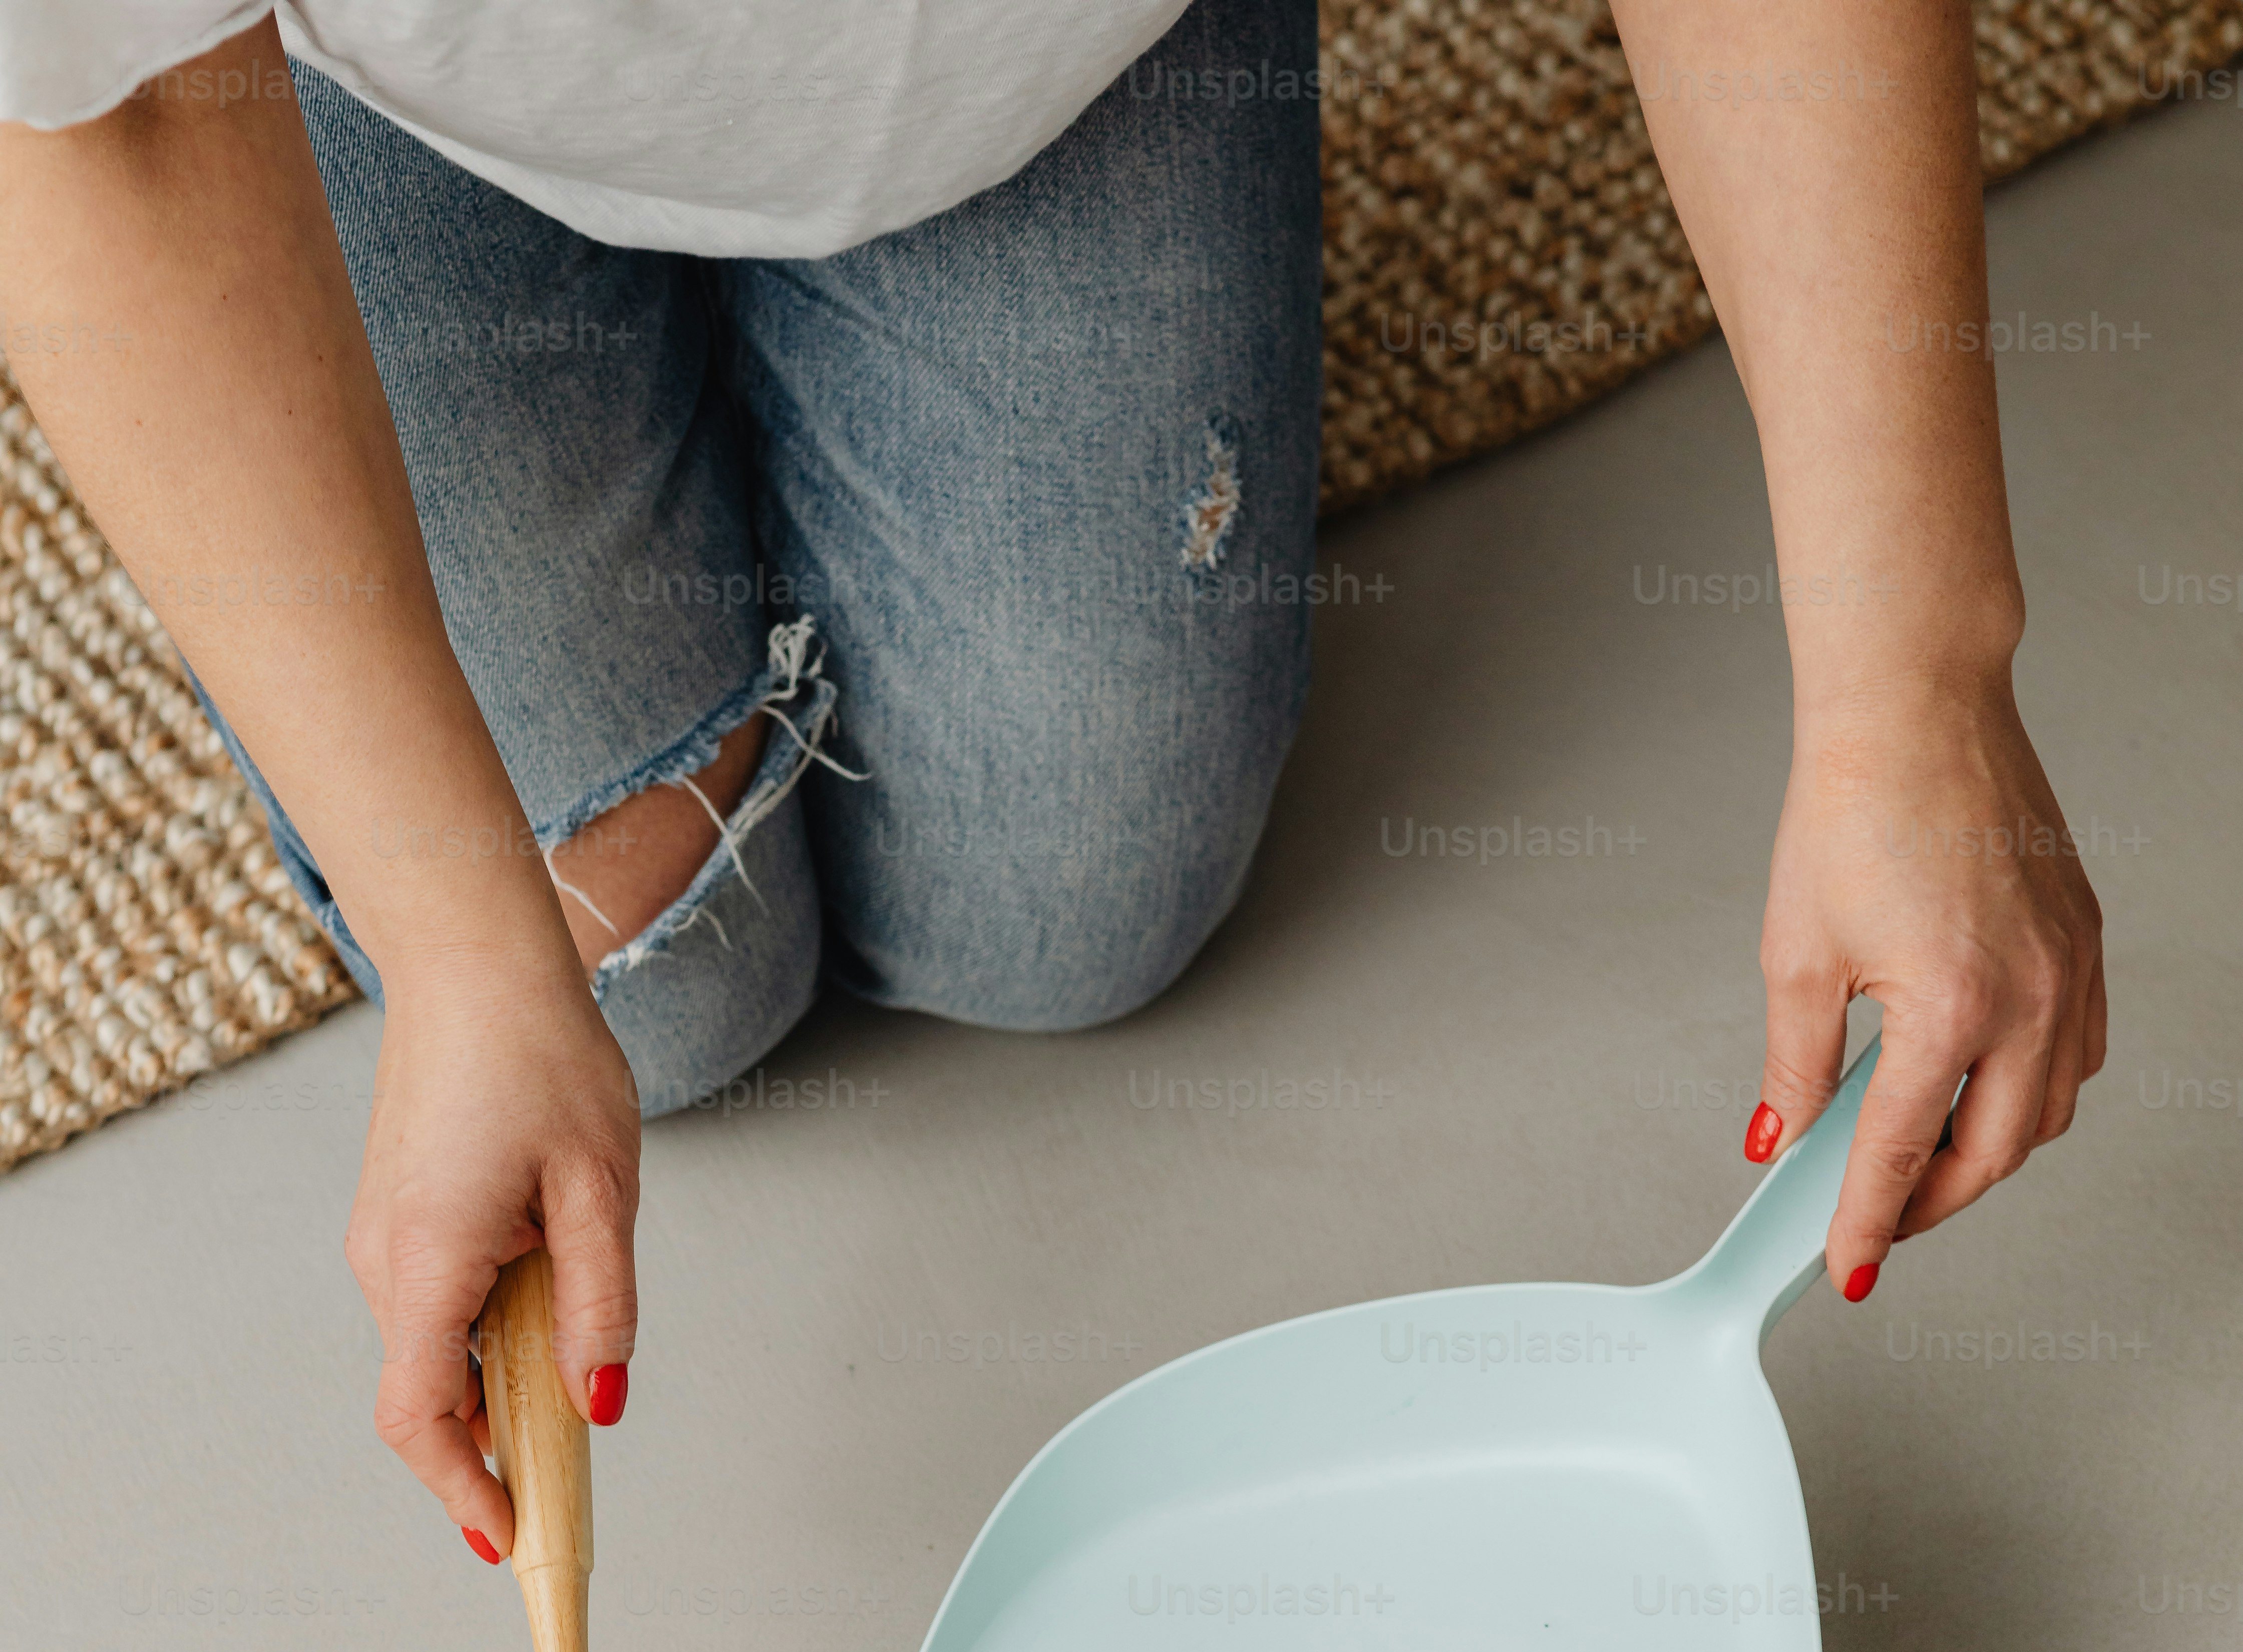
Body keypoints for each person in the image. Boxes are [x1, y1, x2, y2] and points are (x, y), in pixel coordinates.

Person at [0, 0, 2104, 1560]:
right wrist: (464, 955)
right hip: (334, 82)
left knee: (1066, 906)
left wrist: (1912, 674)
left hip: (1014, 55)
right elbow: (105, 124)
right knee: (648, 985)